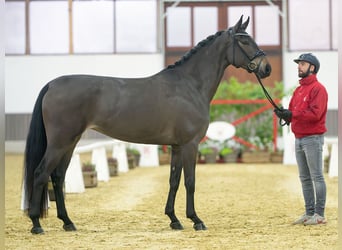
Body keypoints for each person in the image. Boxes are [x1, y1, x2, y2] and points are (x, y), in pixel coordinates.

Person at [274, 53, 328, 225]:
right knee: (304, 178)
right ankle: (309, 212)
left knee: (317, 176)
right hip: (299, 138)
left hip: (313, 138)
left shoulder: (318, 89)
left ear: (312, 68)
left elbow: (315, 114)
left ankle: (319, 215)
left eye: (303, 64)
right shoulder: (298, 91)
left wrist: (293, 114)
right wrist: (285, 115)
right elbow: (294, 115)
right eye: (299, 64)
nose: (299, 66)